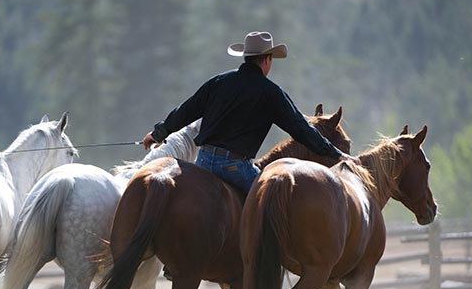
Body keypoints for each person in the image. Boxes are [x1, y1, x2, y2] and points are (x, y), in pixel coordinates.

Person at [142, 31, 354, 194]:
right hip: (236, 167)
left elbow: (186, 110)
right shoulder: (271, 93)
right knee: (272, 202)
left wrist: (158, 133)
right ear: (267, 59)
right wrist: (334, 153)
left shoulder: (219, 82)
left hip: (203, 161)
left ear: (246, 57)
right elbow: (301, 129)